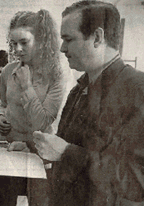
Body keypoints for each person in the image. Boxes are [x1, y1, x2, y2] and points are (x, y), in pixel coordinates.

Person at [32, 1, 144, 205]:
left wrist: (67, 153)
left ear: (98, 38)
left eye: (68, 39)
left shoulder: (138, 90)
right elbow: (66, 149)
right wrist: (36, 149)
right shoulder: (80, 89)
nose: (62, 48)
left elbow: (136, 182)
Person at [0, 9, 65, 206]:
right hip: (9, 149)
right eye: (14, 44)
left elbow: (43, 121)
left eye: (24, 42)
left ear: (41, 41)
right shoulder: (7, 70)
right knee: (5, 200)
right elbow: (2, 104)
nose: (17, 49)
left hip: (39, 153)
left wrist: (26, 86)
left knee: (38, 201)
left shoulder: (55, 75)